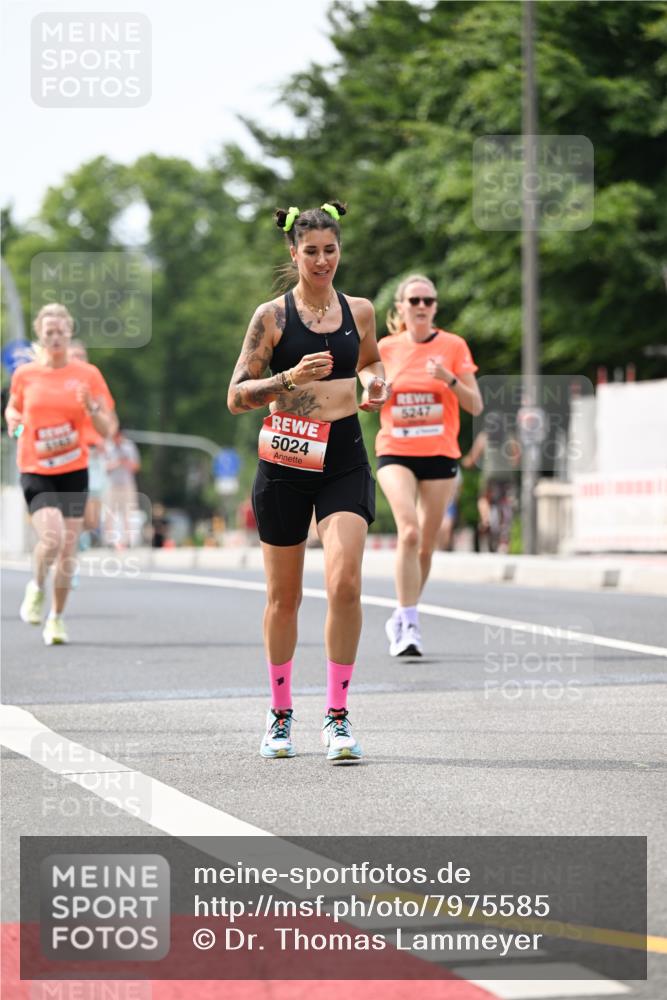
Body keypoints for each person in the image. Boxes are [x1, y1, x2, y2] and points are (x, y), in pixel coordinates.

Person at [227, 201, 388, 763]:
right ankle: (279, 714)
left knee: (345, 583)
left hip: (342, 459)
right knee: (284, 598)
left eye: (331, 250)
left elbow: (370, 361)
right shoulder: (271, 318)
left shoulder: (360, 310)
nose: (322, 260)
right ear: (293, 253)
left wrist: (376, 383)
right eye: (312, 251)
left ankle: (338, 716)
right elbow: (236, 397)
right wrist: (287, 378)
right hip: (285, 467)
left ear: (340, 251)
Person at [375, 274, 483, 656]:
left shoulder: (453, 346)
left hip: (439, 453)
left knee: (427, 545)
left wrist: (449, 378)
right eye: (414, 300)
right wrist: (377, 393)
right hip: (396, 451)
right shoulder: (385, 348)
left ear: (435, 307)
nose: (421, 307)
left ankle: (400, 616)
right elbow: (368, 394)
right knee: (408, 532)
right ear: (401, 307)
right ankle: (409, 626)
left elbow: (476, 405)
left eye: (428, 301)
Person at [4, 303, 115, 644]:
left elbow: (107, 428)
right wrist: (12, 419)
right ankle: (36, 586)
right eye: (48, 332)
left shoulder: (88, 375)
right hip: (36, 468)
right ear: (40, 335)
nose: (55, 338)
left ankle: (56, 617)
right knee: (51, 538)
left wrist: (91, 409)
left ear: (70, 333)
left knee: (68, 550)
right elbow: (14, 406)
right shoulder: (25, 375)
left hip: (74, 468)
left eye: (60, 332)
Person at [68, 339, 118, 547]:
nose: (79, 360)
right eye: (75, 356)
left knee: (91, 518)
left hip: (93, 454)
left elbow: (112, 420)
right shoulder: (58, 384)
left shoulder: (94, 381)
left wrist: (105, 439)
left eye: (82, 356)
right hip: (69, 454)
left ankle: (78, 537)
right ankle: (70, 550)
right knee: (72, 509)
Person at [104, 428, 141, 548]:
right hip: (113, 485)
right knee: (110, 512)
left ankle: (128, 540)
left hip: (126, 484)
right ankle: (110, 540)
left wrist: (126, 462)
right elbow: (105, 467)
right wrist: (117, 463)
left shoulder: (129, 447)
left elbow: (136, 467)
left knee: (128, 512)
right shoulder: (109, 448)